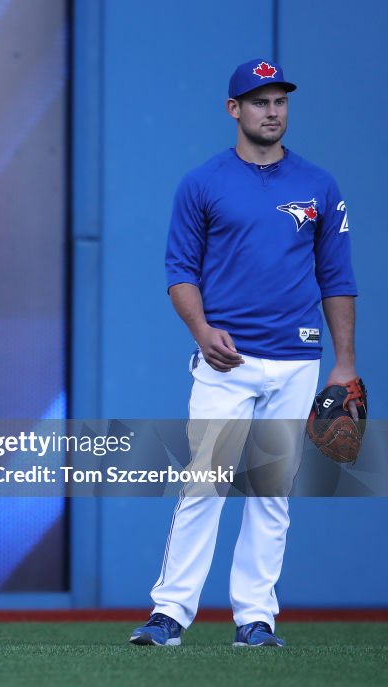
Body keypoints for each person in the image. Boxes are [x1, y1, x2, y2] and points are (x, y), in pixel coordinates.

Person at [129, 59, 358, 648]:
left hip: (296, 360)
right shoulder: (202, 183)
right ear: (234, 110)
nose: (272, 110)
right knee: (204, 484)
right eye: (259, 101)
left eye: (279, 100)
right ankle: (170, 615)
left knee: (271, 493)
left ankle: (255, 618)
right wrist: (201, 331)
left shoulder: (319, 184)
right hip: (224, 360)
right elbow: (179, 271)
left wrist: (345, 363)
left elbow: (337, 277)